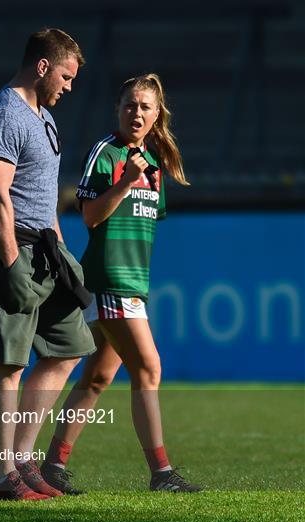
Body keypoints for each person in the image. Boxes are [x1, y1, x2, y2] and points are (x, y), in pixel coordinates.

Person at [40, 73, 202, 493]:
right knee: (148, 368)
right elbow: (91, 217)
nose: (137, 112)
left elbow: (143, 222)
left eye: (145, 106)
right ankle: (162, 474)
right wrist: (126, 180)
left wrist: (139, 176)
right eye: (130, 104)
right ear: (118, 108)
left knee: (96, 377)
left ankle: (52, 465)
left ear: (156, 114)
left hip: (129, 282)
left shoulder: (152, 163)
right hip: (110, 281)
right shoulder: (107, 153)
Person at [0, 28, 96, 501]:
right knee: (9, 364)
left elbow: (41, 196)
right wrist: (11, 261)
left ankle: (22, 461)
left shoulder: (44, 117)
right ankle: (1, 480)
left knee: (67, 349)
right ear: (43, 66)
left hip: (46, 253)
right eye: (66, 75)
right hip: (10, 251)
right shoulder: (3, 114)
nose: (69, 85)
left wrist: (61, 251)